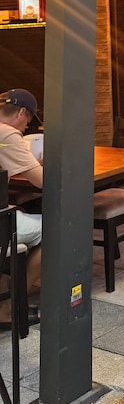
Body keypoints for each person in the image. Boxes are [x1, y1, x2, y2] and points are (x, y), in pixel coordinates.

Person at [0, 89, 43, 327]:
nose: (27, 126)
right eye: (28, 120)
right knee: (56, 229)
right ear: (21, 113)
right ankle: (11, 306)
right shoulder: (7, 134)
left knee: (20, 212)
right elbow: (42, 181)